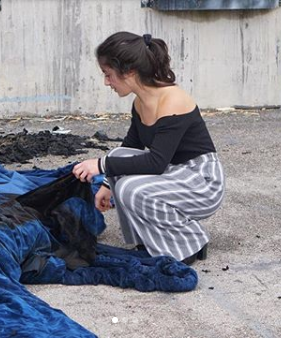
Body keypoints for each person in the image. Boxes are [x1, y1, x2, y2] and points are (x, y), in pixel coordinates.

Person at [72, 31, 225, 265]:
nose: (106, 82)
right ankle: (148, 242)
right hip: (174, 174)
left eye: (108, 75)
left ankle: (189, 244)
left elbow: (156, 162)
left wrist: (101, 166)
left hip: (201, 181)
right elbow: (130, 147)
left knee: (131, 188)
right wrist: (106, 184)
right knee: (117, 160)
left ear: (130, 72)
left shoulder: (172, 100)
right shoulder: (140, 102)